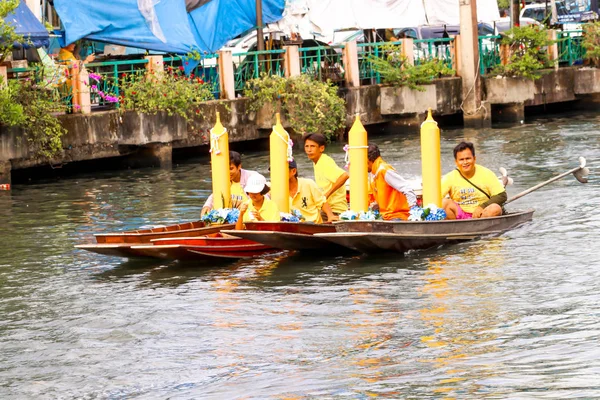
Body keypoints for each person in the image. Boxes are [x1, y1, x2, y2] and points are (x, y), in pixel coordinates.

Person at [441, 141, 507, 220]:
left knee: (495, 208)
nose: (465, 162)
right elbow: (435, 199)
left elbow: (502, 196)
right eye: (461, 159)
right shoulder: (450, 177)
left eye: (468, 158)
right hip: (459, 216)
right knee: (444, 203)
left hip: (482, 215)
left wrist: (481, 207)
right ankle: (455, 228)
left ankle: (482, 228)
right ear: (456, 162)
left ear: (474, 159)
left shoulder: (486, 173)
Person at [303, 133, 349, 217]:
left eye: (312, 146)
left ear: (321, 148)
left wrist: (326, 195)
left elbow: (344, 175)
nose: (309, 150)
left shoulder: (325, 162)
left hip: (335, 209)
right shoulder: (317, 161)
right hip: (325, 208)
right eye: (307, 146)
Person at [367, 143, 417, 220]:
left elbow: (407, 188)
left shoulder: (384, 170)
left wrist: (415, 213)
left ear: (367, 160)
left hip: (397, 216)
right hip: (386, 216)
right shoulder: (374, 173)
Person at [201, 151, 258, 216]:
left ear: (239, 166)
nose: (227, 172)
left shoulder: (253, 178)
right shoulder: (222, 179)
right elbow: (215, 194)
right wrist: (207, 206)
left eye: (231, 169)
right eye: (225, 169)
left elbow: (263, 200)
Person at [288, 159, 338, 223]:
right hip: (292, 226)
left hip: (313, 225)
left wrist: (330, 216)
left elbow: (322, 202)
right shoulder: (275, 191)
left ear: (293, 171)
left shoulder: (308, 184)